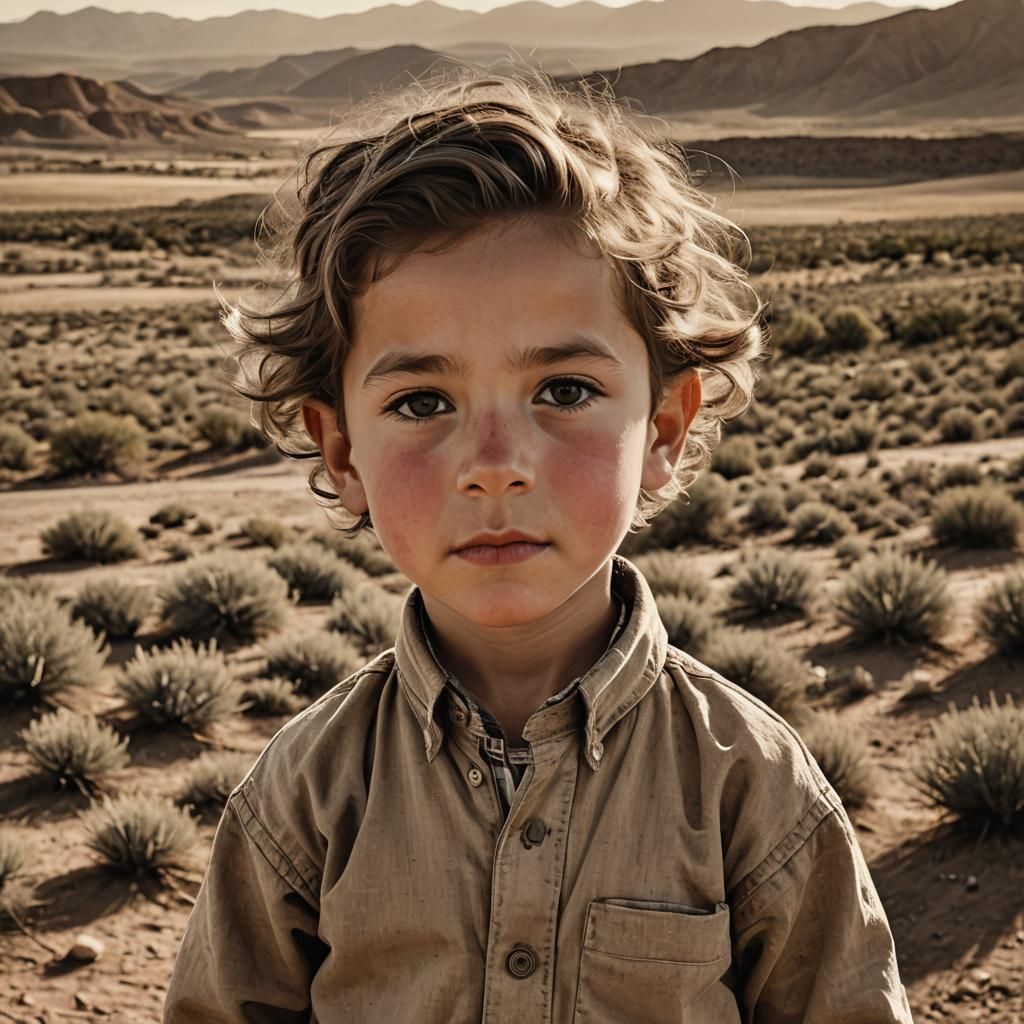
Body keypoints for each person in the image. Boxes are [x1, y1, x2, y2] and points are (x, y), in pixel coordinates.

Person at [163, 67, 913, 1023]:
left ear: (665, 428)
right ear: (341, 450)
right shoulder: (308, 793)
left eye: (563, 391)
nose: (495, 466)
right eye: (421, 402)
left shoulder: (747, 785)